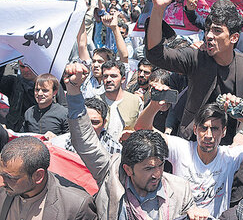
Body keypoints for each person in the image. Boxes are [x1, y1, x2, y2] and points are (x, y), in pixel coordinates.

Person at [63, 62, 202, 220]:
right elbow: (85, 141)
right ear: (128, 169)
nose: (157, 174)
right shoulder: (111, 174)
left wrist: (196, 214)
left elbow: (192, 211)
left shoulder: (180, 189)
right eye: (148, 169)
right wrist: (74, 91)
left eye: (160, 165)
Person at [145, 0, 243, 145]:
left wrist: (241, 135)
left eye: (217, 31)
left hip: (229, 149)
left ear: (234, 38)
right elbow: (156, 55)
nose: (209, 36)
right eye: (207, 30)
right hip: (191, 142)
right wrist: (158, 9)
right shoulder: (195, 57)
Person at [135, 92, 243, 217]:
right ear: (195, 129)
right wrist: (154, 105)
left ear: (223, 132)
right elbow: (142, 129)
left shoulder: (229, 156)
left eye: (215, 129)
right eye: (204, 128)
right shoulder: (181, 149)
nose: (209, 135)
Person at [0, 136, 97, 219]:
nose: (2, 182)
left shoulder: (76, 205)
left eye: (10, 178)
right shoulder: (3, 190)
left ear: (38, 176)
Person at [0, 61, 66, 131]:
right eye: (22, 67)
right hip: (17, 129)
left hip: (47, 130)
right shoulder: (12, 82)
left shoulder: (51, 83)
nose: (25, 70)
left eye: (29, 66)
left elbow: (65, 111)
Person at [50, 97, 122, 155]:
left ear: (104, 123)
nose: (89, 127)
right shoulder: (58, 146)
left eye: (95, 122)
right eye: (84, 121)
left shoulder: (116, 151)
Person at [99, 59, 143, 141]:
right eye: (105, 76)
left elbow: (142, 129)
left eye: (113, 76)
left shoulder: (136, 101)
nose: (108, 80)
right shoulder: (96, 101)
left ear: (123, 79)